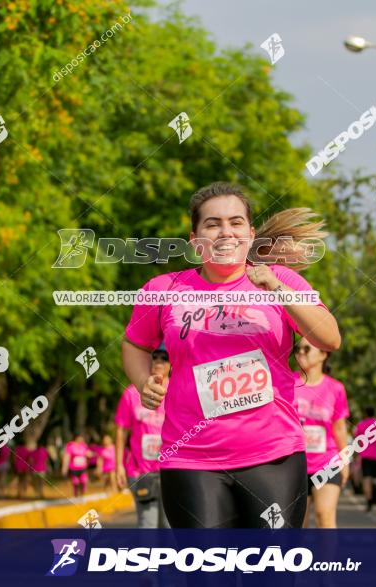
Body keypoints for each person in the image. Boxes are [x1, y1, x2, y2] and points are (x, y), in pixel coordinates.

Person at [122, 182, 340, 528]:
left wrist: (276, 289)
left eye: (236, 222)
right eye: (213, 224)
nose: (226, 231)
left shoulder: (281, 281)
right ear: (195, 239)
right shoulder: (164, 289)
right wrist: (142, 382)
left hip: (274, 456)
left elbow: (329, 337)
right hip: (190, 458)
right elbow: (134, 343)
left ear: (251, 234)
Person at [293, 338, 350, 528]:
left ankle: (327, 559)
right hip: (295, 464)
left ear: (323, 354)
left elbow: (339, 428)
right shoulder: (288, 382)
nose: (301, 352)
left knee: (324, 516)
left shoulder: (335, 388)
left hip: (327, 463)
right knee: (299, 523)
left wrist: (345, 461)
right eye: (298, 349)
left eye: (307, 349)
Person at [115, 347, 170, 528]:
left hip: (172, 471)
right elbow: (121, 431)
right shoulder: (132, 393)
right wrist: (118, 467)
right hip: (141, 472)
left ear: (171, 363)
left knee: (170, 529)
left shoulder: (180, 390)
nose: (159, 361)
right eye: (154, 357)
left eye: (164, 357)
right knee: (148, 527)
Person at [356, 406, 376, 512]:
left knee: (367, 479)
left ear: (366, 413)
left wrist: (357, 455)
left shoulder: (361, 425)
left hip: (366, 456)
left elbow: (358, 441)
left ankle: (369, 502)